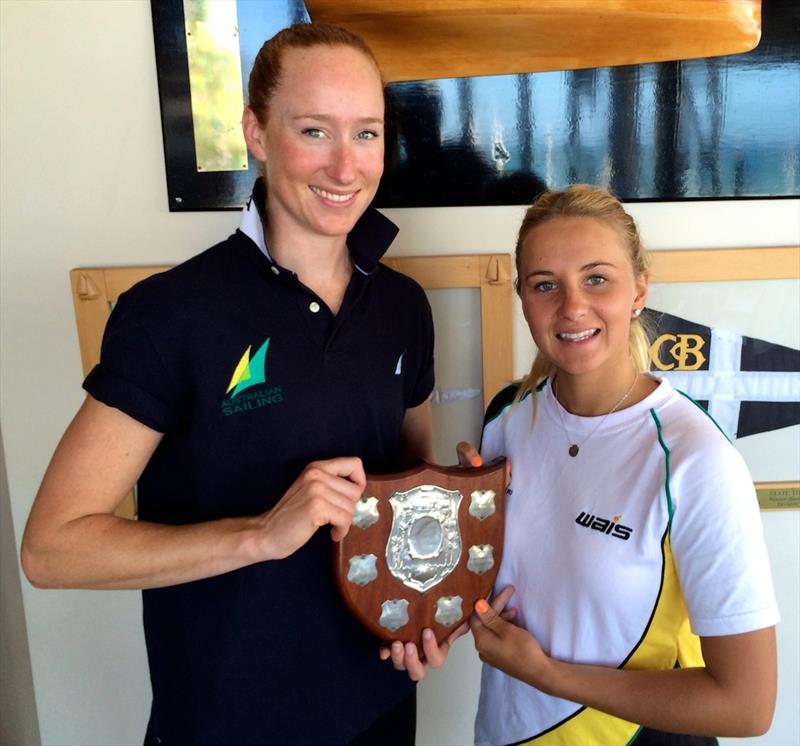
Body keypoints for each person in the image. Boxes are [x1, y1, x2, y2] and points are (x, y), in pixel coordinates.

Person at [21, 23, 453, 746]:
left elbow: (402, 495)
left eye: (367, 134)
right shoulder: (170, 315)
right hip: (226, 719)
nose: (346, 167)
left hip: (378, 704)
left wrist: (426, 605)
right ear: (256, 132)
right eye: (314, 131)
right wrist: (260, 535)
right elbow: (53, 548)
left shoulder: (405, 307)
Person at [466, 185, 779, 745]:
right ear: (522, 298)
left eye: (597, 278)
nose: (572, 307)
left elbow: (746, 706)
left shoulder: (694, 459)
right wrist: (455, 521)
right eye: (545, 285)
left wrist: (550, 677)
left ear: (639, 289)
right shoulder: (504, 419)